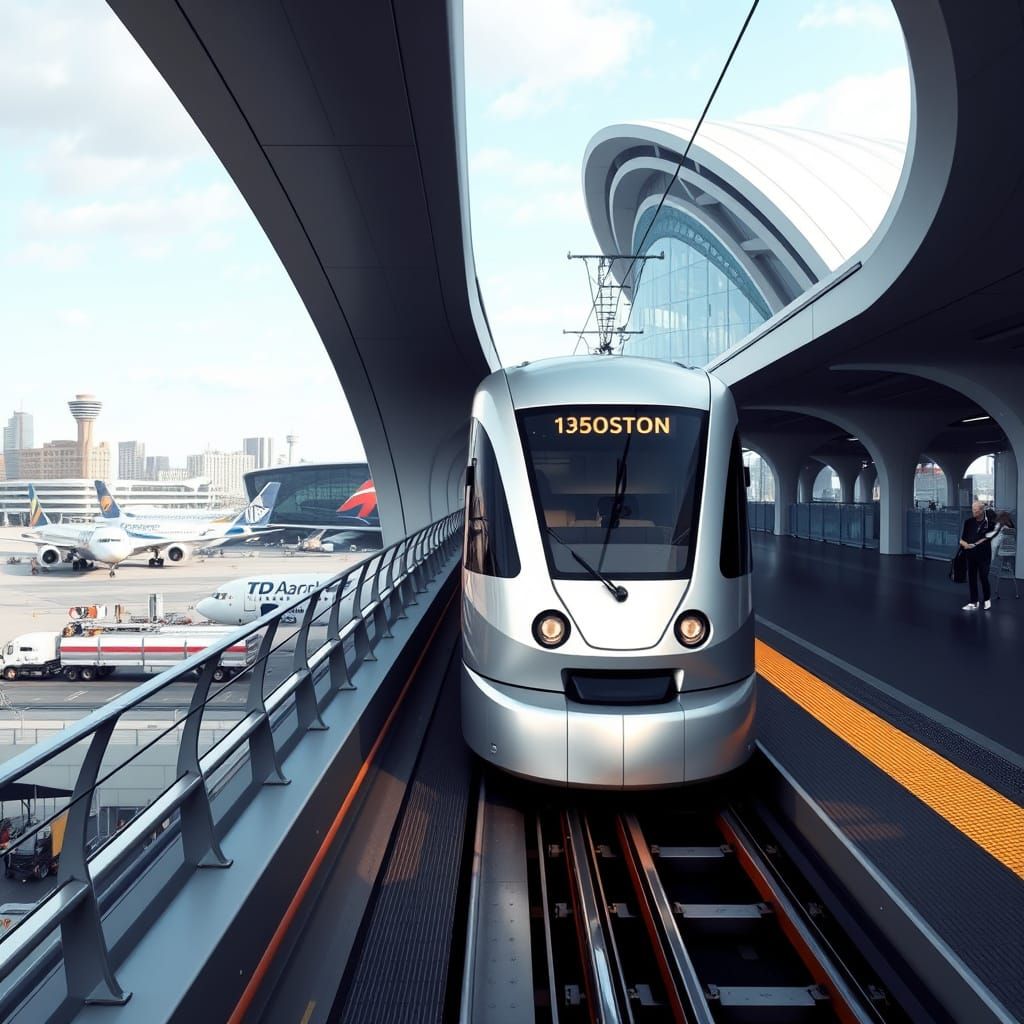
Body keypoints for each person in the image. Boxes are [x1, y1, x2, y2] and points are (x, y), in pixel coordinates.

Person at [959, 501, 995, 610]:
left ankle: (987, 599)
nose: (973, 512)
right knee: (972, 578)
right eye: (972, 509)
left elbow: (988, 538)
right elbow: (962, 539)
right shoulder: (968, 522)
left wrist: (975, 544)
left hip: (984, 555)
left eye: (976, 510)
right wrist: (965, 544)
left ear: (981, 511)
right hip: (971, 555)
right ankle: (974, 602)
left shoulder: (989, 524)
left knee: (983, 577)